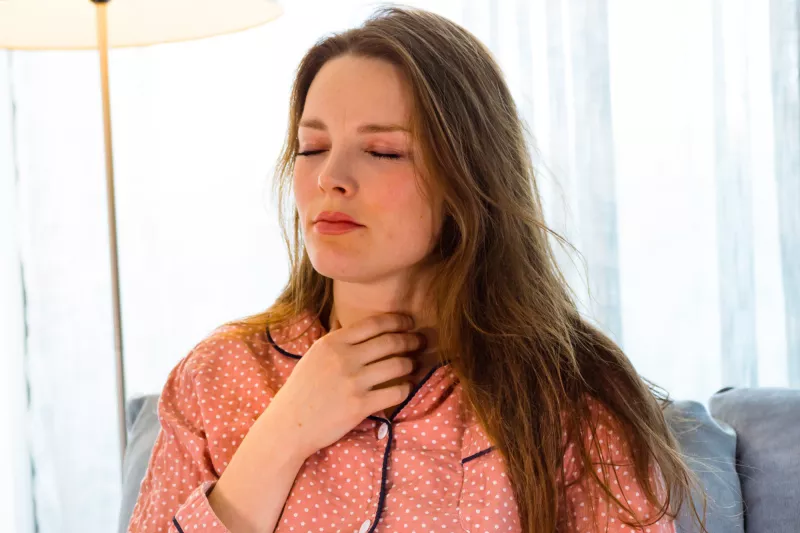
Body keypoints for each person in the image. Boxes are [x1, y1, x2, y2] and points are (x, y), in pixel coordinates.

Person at [128, 6, 705, 533]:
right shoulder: (216, 378)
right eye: (312, 147)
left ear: (466, 180)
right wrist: (282, 437)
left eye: (382, 151)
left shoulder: (570, 395)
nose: (331, 177)